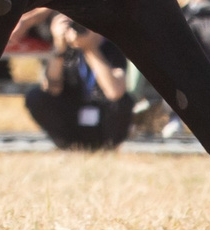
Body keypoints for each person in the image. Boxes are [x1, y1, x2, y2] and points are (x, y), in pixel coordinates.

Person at [21, 10, 131, 151]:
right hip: (72, 111)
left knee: (123, 101)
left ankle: (109, 146)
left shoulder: (111, 46)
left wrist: (90, 49)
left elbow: (115, 92)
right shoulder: (64, 51)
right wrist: (59, 46)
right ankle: (67, 144)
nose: (80, 30)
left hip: (103, 116)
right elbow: (52, 89)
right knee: (35, 96)